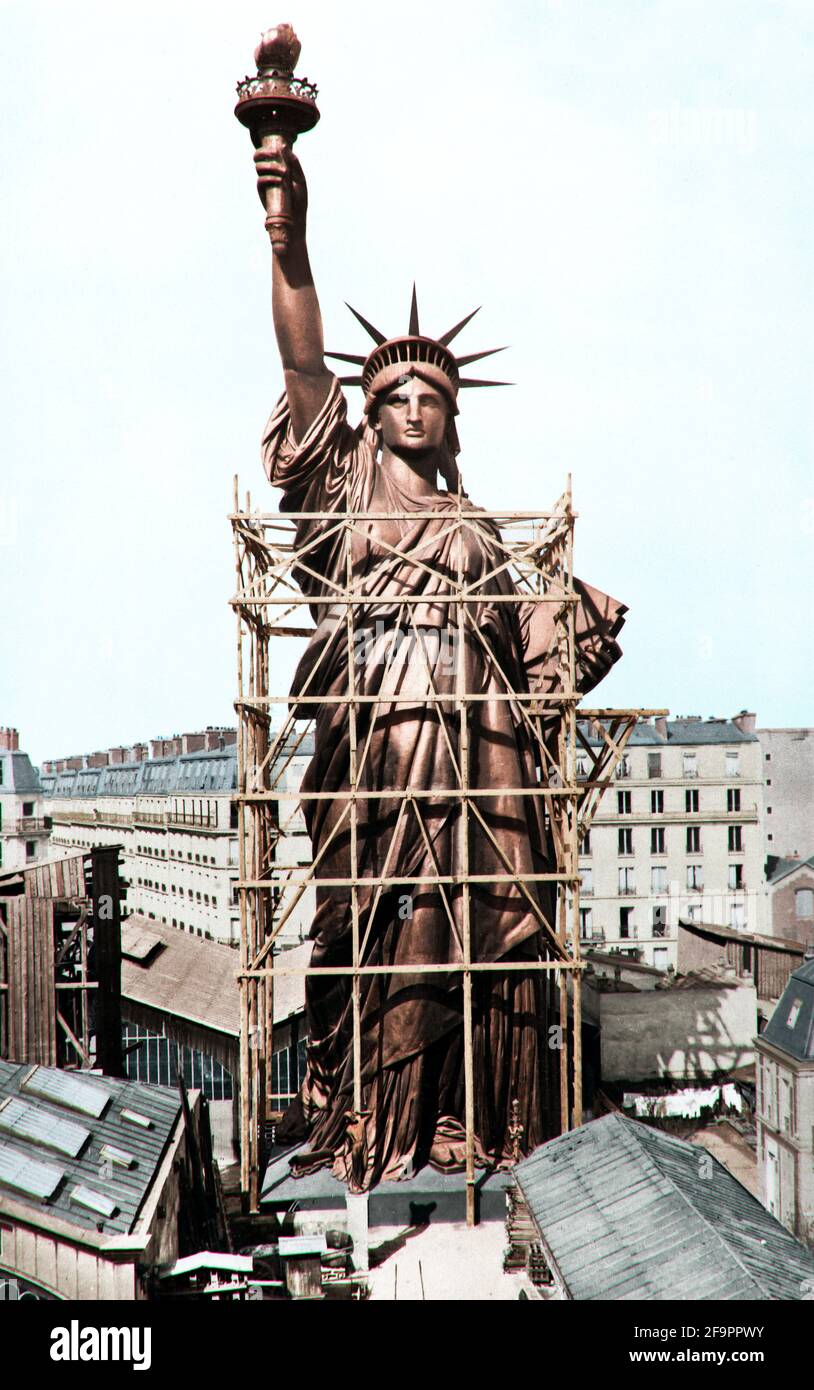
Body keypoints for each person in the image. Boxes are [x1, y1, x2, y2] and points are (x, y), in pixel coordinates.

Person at [253, 146, 626, 1187]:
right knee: (385, 925)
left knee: (487, 927)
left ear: (452, 416)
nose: (414, 406)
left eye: (432, 394)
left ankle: (473, 1117)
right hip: (380, 748)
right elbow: (301, 363)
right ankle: (389, 1122)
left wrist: (573, 612)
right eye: (395, 393)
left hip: (482, 756)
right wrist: (289, 235)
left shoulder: (475, 527)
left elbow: (533, 647)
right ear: (368, 416)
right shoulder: (349, 486)